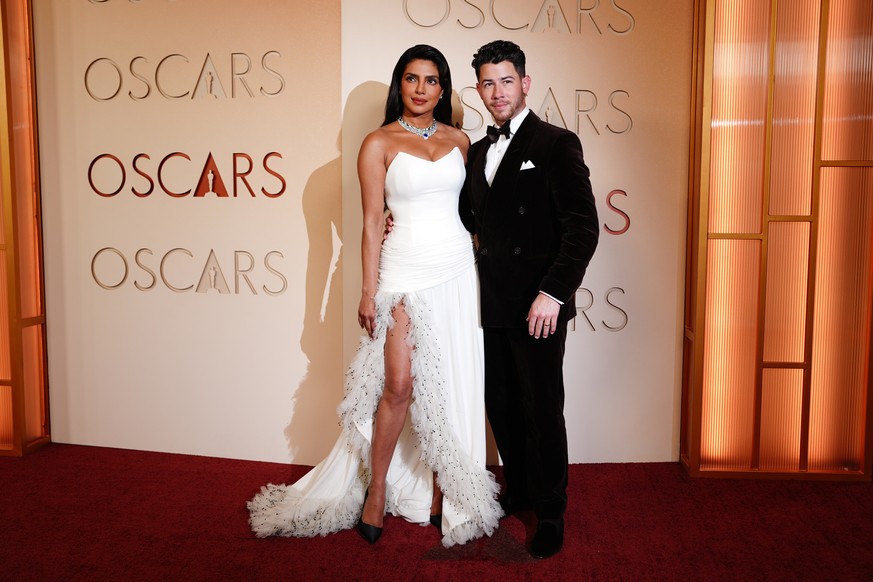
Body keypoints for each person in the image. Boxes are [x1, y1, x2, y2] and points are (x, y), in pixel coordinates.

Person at [248, 44, 501, 548]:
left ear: (443, 89)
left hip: (456, 269)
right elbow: (368, 224)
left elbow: (471, 213)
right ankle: (377, 489)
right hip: (403, 270)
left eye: (432, 80)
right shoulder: (377, 142)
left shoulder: (460, 141)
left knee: (450, 384)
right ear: (399, 84)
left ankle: (443, 492)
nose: (421, 89)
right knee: (399, 384)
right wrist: (368, 292)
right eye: (412, 78)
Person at [459, 40, 599, 559]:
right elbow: (467, 218)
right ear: (479, 89)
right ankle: (518, 490)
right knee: (501, 405)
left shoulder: (556, 143)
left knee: (541, 409)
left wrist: (553, 294)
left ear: (525, 83)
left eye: (506, 81)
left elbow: (582, 229)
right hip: (492, 301)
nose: (498, 92)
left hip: (539, 304)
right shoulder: (478, 151)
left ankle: (551, 509)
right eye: (488, 83)